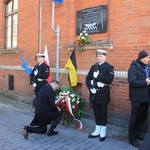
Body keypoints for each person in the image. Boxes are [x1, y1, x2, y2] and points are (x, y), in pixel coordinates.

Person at [86, 49, 114, 141]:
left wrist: (98, 76)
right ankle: (97, 130)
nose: (99, 57)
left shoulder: (109, 67)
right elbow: (88, 78)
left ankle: (103, 132)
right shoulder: (93, 67)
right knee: (96, 113)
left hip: (103, 93)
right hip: (94, 93)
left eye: (101, 56)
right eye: (98, 56)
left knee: (103, 113)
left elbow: (109, 80)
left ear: (105, 57)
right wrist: (90, 88)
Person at [128, 50, 150, 148]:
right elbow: (132, 82)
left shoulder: (147, 67)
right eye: (146, 58)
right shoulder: (134, 68)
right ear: (141, 58)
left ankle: (137, 132)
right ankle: (131, 138)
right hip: (137, 98)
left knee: (142, 116)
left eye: (148, 58)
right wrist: (145, 82)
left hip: (146, 97)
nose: (148, 60)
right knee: (135, 117)